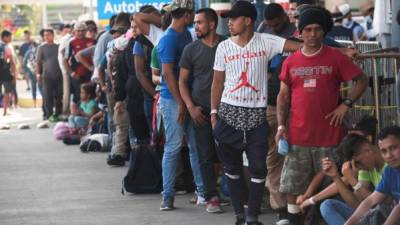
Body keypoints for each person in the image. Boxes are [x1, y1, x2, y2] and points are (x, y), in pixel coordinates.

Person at [210, 1, 309, 224]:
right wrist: (214, 115)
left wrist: (343, 51)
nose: (229, 24)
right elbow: (217, 83)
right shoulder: (224, 47)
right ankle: (240, 216)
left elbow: (302, 47)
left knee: (258, 168)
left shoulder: (266, 42)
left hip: (256, 118)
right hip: (227, 116)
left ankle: (252, 216)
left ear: (247, 21)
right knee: (232, 170)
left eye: (233, 19)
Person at [275, 8, 368, 225]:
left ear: (323, 31)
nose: (313, 34)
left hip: (331, 138)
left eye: (317, 29)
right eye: (308, 29)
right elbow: (283, 96)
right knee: (293, 187)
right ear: (300, 33)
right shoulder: (290, 61)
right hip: (297, 137)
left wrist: (345, 104)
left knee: (330, 188)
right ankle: (293, 221)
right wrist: (281, 127)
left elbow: (361, 80)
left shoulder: (335, 57)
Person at [156, 0, 205, 211]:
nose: (193, 18)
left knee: (195, 148)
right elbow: (167, 74)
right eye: (191, 14)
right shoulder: (169, 38)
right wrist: (182, 103)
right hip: (173, 100)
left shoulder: (185, 33)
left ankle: (202, 193)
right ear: (185, 15)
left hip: (186, 99)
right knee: (174, 147)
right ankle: (167, 196)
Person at [178, 7, 225, 214]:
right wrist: (191, 107)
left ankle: (234, 192)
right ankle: (211, 196)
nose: (195, 26)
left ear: (212, 24)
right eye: (195, 22)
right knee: (205, 154)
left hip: (227, 108)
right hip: (201, 109)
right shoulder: (191, 49)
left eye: (199, 22)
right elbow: (182, 81)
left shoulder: (227, 45)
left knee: (226, 153)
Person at [256, 3, 297, 224]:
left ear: (284, 17)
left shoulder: (298, 33)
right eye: (271, 25)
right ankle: (281, 207)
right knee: (274, 156)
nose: (274, 28)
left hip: (297, 104)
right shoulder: (264, 32)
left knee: (299, 155)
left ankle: (298, 206)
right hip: (271, 103)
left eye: (277, 24)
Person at [345, 126, 400, 225]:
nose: (389, 155)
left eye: (393, 148)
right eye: (384, 151)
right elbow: (370, 201)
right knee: (327, 205)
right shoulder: (390, 171)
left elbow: (398, 209)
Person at [64, 21, 96, 115]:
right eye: (78, 31)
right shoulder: (71, 43)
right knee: (78, 96)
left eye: (82, 30)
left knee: (92, 95)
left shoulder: (92, 41)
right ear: (74, 32)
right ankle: (76, 116)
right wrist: (71, 73)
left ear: (86, 31)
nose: (80, 33)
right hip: (78, 75)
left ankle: (91, 116)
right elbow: (65, 60)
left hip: (91, 74)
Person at [36, 29, 63, 122]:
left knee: (59, 96)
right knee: (47, 96)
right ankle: (49, 114)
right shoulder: (41, 48)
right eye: (45, 35)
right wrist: (38, 74)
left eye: (48, 35)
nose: (46, 37)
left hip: (59, 75)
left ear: (53, 35)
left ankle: (59, 114)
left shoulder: (58, 46)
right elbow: (38, 62)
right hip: (47, 76)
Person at [58, 23, 73, 116]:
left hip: (74, 69)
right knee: (67, 92)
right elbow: (62, 54)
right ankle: (65, 113)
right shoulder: (67, 39)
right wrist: (65, 70)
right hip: (67, 70)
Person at [0, 30, 16, 116]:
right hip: (5, 72)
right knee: (7, 92)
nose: (11, 39)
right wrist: (14, 74)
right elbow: (11, 62)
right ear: (4, 37)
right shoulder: (7, 47)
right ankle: (5, 111)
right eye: (10, 37)